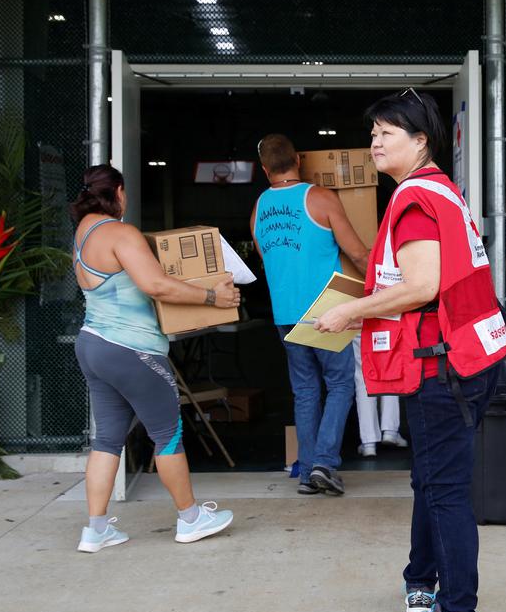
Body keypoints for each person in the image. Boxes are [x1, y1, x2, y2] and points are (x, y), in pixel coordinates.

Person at [314, 89, 506, 612]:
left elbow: (423, 286)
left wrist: (351, 310)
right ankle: (422, 582)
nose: (374, 141)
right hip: (465, 357)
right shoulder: (442, 192)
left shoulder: (416, 201)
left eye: (387, 133)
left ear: (421, 141)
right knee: (430, 480)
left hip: (442, 367)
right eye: (372, 132)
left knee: (444, 490)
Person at [69, 165, 238, 553]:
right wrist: (214, 297)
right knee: (167, 433)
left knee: (107, 439)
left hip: (93, 343)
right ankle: (191, 518)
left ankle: (95, 530)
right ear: (119, 192)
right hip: (133, 349)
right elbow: (156, 285)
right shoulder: (120, 233)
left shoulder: (83, 233)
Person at [251, 134, 368, 496]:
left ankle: (307, 474)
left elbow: (264, 258)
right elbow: (358, 253)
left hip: (284, 313)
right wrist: (386, 286)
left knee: (304, 390)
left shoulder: (258, 209)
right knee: (341, 383)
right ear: (298, 159)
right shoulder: (320, 198)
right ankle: (324, 463)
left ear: (265, 169)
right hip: (326, 310)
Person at [351, 335, 406, 457]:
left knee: (363, 378)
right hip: (386, 322)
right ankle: (390, 431)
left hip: (358, 323)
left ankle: (368, 442)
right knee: (390, 370)